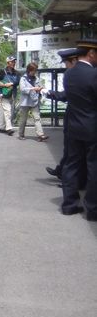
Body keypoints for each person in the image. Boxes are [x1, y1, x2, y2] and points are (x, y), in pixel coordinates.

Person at [60, 39, 97, 220]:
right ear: (91, 53)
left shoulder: (69, 74)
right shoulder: (94, 74)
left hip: (73, 127)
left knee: (71, 165)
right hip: (92, 128)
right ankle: (92, 209)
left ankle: (69, 205)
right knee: (93, 167)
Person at [45, 48, 81, 179]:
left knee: (73, 152)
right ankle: (62, 172)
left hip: (77, 122)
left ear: (74, 60)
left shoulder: (76, 76)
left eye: (66, 62)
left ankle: (69, 179)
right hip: (77, 121)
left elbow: (65, 96)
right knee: (70, 151)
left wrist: (48, 92)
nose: (65, 66)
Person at [17, 62, 48, 141]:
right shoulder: (23, 78)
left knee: (37, 118)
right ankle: (21, 134)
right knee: (23, 119)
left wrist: (40, 88)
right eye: (33, 70)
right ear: (29, 70)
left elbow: (39, 87)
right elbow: (22, 89)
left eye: (35, 70)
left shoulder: (36, 78)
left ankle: (40, 135)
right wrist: (33, 89)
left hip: (34, 101)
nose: (35, 72)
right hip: (25, 102)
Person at [0, 56, 20, 135]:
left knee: (8, 111)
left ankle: (2, 128)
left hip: (12, 94)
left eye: (14, 61)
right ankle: (9, 128)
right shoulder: (2, 72)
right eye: (12, 62)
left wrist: (11, 84)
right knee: (8, 111)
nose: (13, 63)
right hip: (4, 94)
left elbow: (18, 81)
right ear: (8, 63)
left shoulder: (16, 73)